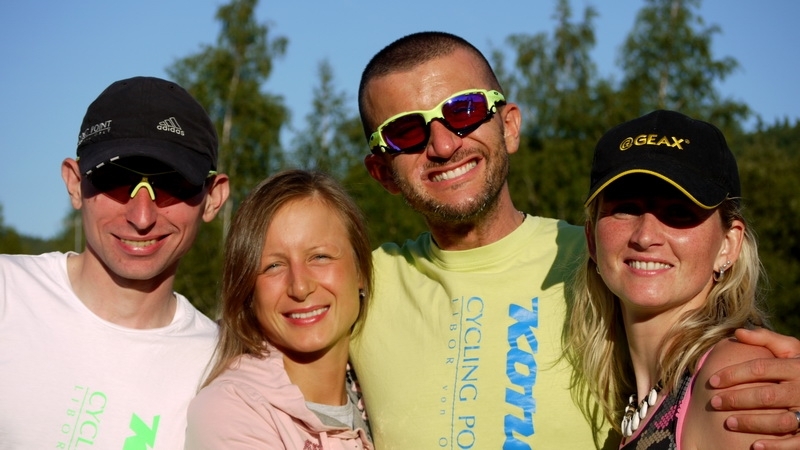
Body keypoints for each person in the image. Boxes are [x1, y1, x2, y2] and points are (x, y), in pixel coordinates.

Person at [350, 30, 800, 450]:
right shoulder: (357, 287)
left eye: (463, 110)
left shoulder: (610, 266)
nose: (444, 145)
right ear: (381, 173)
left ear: (509, 126)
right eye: (405, 132)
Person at [0, 76, 230, 448]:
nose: (142, 217)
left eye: (172, 183)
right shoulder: (7, 295)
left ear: (213, 198)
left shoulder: (221, 370)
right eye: (114, 178)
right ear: (75, 183)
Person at [565, 109, 786, 448]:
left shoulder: (730, 380)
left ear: (728, 245)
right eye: (626, 208)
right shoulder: (646, 397)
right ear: (592, 240)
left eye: (679, 212)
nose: (645, 236)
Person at [184, 170, 373, 449]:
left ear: (360, 271)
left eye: (320, 257)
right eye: (273, 266)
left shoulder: (384, 385)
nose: (300, 287)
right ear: (248, 291)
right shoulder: (233, 412)